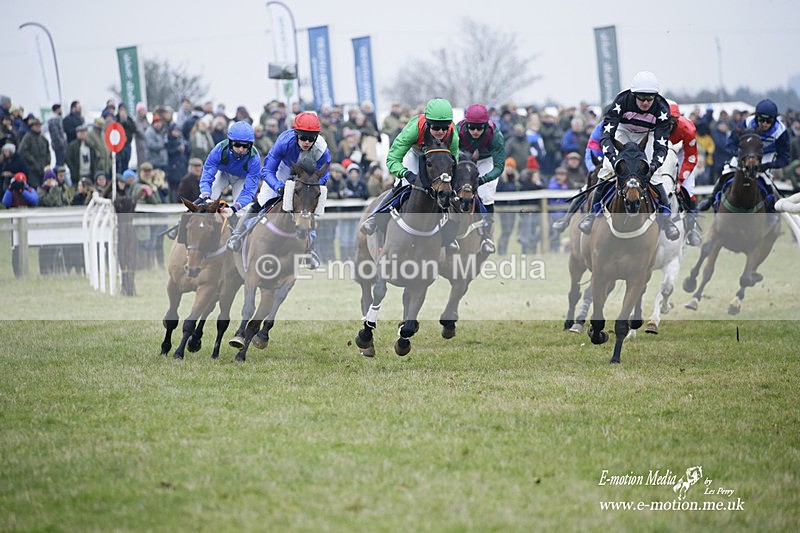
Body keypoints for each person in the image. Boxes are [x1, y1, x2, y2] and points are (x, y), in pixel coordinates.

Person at [576, 71, 680, 241]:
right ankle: (592, 215)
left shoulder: (662, 109)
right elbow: (606, 135)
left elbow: (661, 145)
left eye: (650, 98)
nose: (646, 102)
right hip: (622, 131)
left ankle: (667, 221)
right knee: (607, 170)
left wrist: (653, 165)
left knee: (656, 177)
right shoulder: (622, 101)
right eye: (641, 98)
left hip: (647, 134)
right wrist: (613, 158)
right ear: (634, 95)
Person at [227, 112, 331, 269]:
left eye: (311, 138)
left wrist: (314, 186)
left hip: (308, 175)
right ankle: (238, 234)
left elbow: (325, 173)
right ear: (296, 134)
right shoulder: (284, 142)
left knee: (308, 206)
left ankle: (311, 249)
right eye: (303, 137)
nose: (307, 142)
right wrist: (278, 186)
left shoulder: (322, 149)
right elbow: (267, 170)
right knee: (263, 199)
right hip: (283, 168)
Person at [359, 98, 459, 243]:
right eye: (436, 127)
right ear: (428, 123)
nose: (441, 132)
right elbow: (392, 158)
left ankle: (448, 232)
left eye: (444, 127)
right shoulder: (414, 129)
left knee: (446, 190)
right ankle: (376, 216)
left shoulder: (452, 134)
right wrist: (406, 174)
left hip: (437, 160)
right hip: (415, 156)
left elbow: (454, 162)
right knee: (403, 184)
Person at [698, 98, 790, 214]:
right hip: (745, 153)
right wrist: (741, 156)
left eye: (769, 121)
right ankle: (711, 199)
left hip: (766, 156)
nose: (765, 124)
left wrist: (767, 165)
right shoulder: (747, 123)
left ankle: (771, 210)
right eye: (762, 120)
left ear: (775, 120)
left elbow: (784, 158)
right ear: (756, 117)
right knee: (725, 172)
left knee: (767, 182)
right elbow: (730, 144)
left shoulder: (781, 132)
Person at [195, 121, 263, 242]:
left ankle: (240, 239)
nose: (241, 149)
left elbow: (249, 191)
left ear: (251, 145)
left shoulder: (254, 159)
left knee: (243, 210)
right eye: (237, 145)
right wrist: (206, 194)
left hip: (241, 180)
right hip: (223, 174)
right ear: (230, 143)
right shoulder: (219, 149)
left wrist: (234, 208)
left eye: (245, 146)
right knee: (208, 201)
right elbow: (207, 176)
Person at [456, 103, 506, 254]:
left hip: (486, 160)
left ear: (486, 126)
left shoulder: (496, 136)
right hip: (463, 157)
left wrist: (483, 180)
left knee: (485, 195)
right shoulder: (457, 132)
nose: (475, 131)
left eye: (479, 128)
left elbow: (498, 166)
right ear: (466, 125)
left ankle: (486, 237)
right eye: (472, 127)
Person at [658, 101, 701, 246]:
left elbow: (691, 157)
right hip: (658, 152)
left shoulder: (687, 129)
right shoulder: (651, 125)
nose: (669, 125)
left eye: (673, 122)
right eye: (665, 121)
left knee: (688, 190)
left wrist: (680, 180)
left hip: (680, 153)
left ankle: (691, 228)